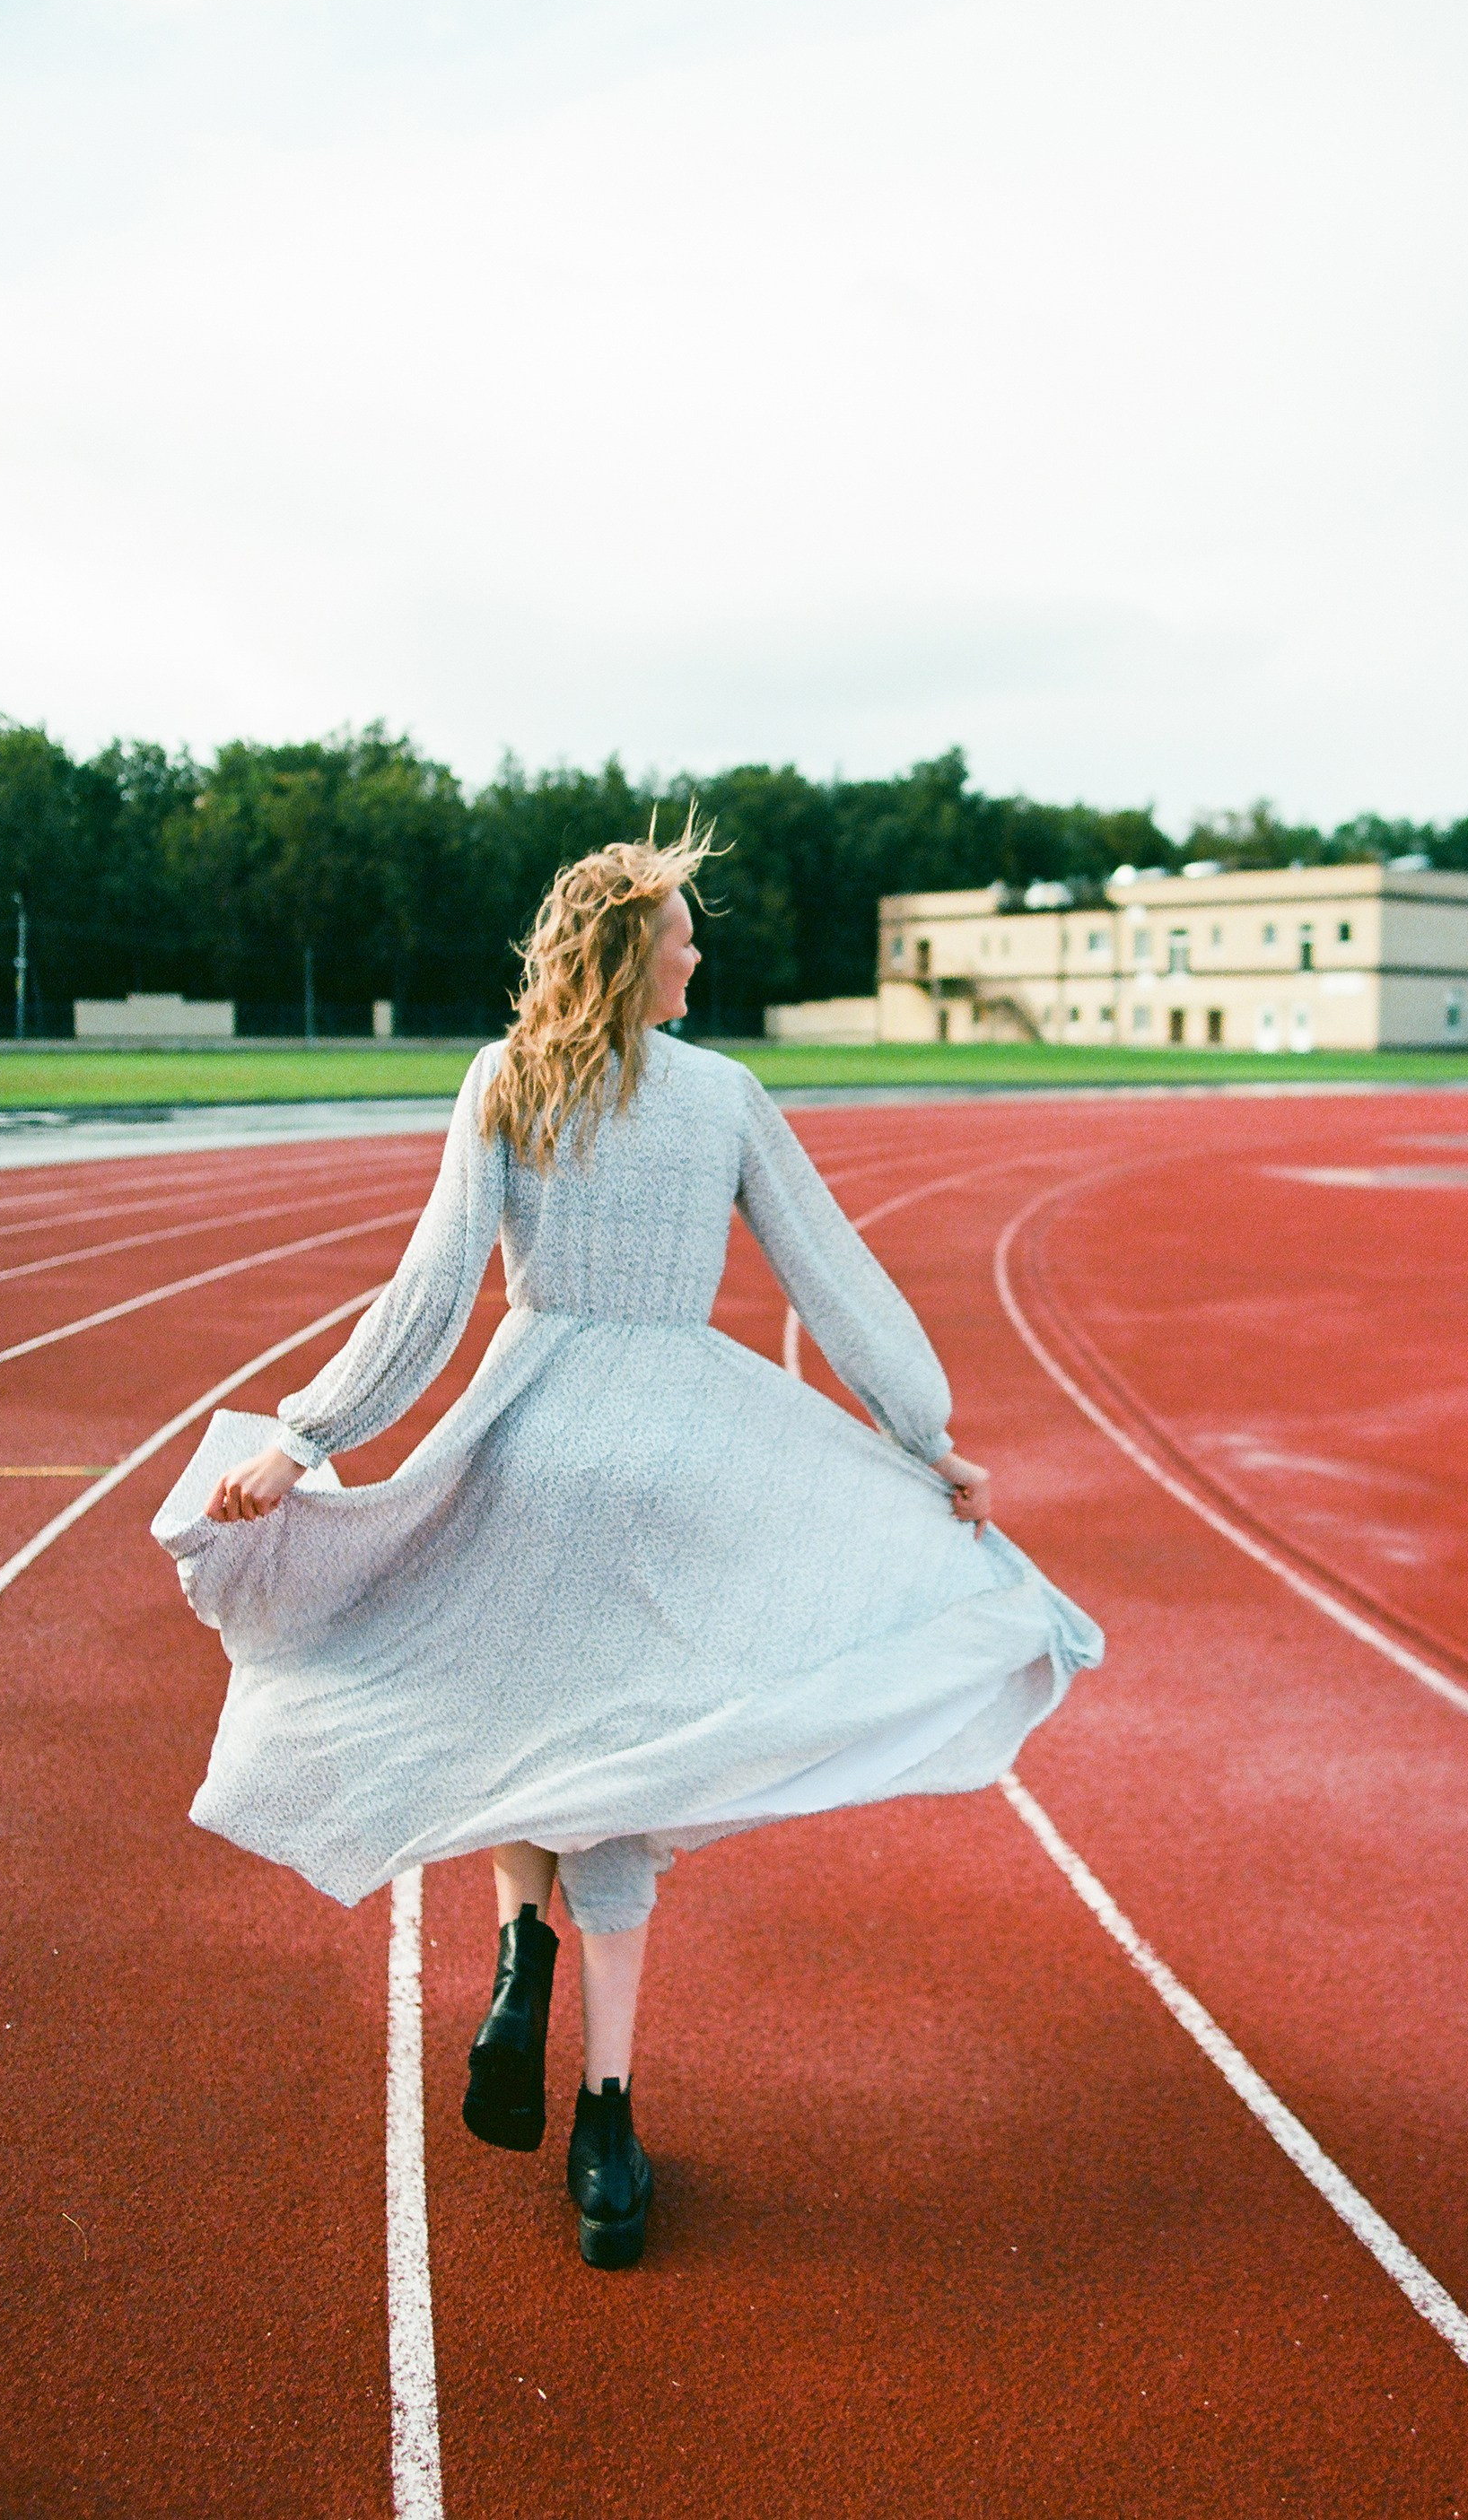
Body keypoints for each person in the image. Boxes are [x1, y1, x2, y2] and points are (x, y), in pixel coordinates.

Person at [153, 826, 1102, 2271]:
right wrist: (926, 1435)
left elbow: (426, 1298)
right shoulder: (724, 1097)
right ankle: (607, 2127)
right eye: (681, 934)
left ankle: (515, 1954)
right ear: (633, 952)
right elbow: (833, 1278)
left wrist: (302, 1438)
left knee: (525, 1712)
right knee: (630, 1766)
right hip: (672, 1451)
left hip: (531, 1439)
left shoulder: (508, 1076)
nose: (698, 953)